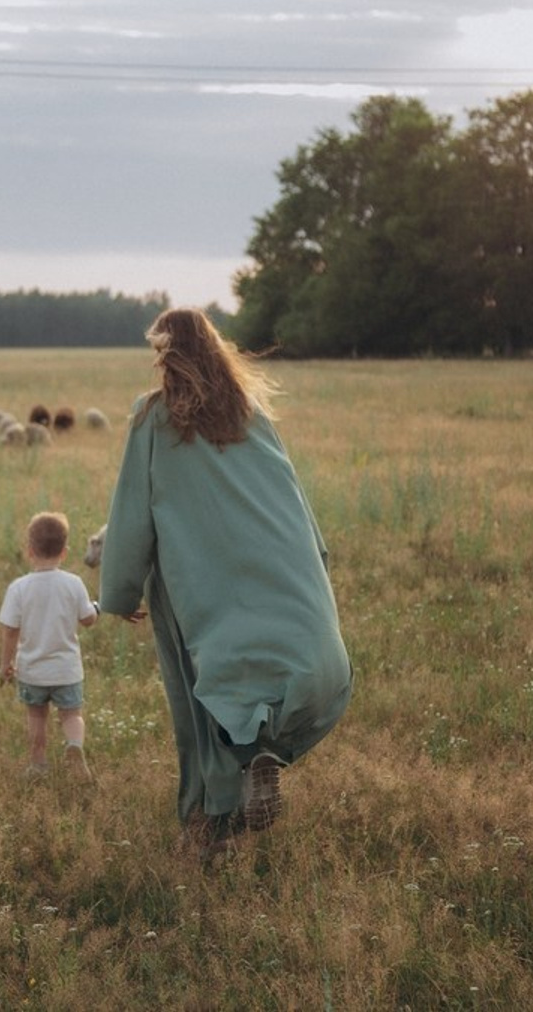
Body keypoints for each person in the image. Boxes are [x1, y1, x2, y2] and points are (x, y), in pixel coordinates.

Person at [99, 307, 351, 852]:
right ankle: (261, 750)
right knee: (260, 681)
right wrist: (315, 564)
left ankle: (210, 828)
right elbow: (292, 498)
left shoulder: (152, 417)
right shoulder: (252, 414)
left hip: (196, 581)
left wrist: (119, 590)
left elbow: (133, 509)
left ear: (166, 356)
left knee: (201, 694)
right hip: (272, 566)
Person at [0, 511, 100, 779]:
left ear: (30, 551)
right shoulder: (73, 584)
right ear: (64, 552)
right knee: (71, 714)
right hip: (67, 671)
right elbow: (88, 619)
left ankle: (38, 764)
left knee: (37, 717)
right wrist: (97, 607)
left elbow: (10, 630)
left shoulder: (19, 588)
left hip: (32, 671)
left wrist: (6, 664)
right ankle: (75, 745)